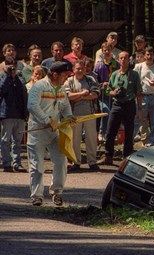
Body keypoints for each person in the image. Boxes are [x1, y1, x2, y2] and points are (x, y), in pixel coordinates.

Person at [26, 61, 75, 206]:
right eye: (64, 75)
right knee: (37, 165)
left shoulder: (61, 88)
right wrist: (47, 120)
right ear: (55, 74)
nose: (66, 78)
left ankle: (57, 192)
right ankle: (36, 196)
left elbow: (65, 105)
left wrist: (68, 117)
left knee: (61, 162)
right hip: (37, 131)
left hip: (56, 131)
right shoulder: (39, 86)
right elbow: (32, 105)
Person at [100, 51, 142, 165]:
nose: (123, 60)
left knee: (129, 133)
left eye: (125, 58)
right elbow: (108, 89)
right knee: (110, 131)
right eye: (121, 58)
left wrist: (139, 108)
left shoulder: (134, 74)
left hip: (129, 105)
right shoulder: (114, 74)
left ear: (129, 60)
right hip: (117, 105)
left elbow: (138, 92)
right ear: (118, 60)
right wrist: (113, 92)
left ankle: (126, 158)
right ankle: (108, 156)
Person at [64, 60, 100, 172]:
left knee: (91, 139)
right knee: (75, 139)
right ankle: (76, 162)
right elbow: (68, 96)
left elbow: (95, 94)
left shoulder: (91, 80)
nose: (79, 70)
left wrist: (80, 97)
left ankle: (92, 162)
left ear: (84, 69)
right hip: (74, 115)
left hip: (90, 114)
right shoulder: (69, 81)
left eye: (81, 68)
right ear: (73, 70)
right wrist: (82, 93)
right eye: (77, 68)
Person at [133, 46, 154, 146]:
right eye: (147, 54)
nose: (149, 57)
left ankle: (151, 142)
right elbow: (133, 81)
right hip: (142, 96)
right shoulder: (139, 67)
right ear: (144, 55)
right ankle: (130, 140)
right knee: (138, 120)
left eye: (151, 55)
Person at [0, 56, 28, 172]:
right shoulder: (2, 78)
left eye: (13, 65)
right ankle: (6, 163)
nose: (12, 67)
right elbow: (1, 90)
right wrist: (7, 76)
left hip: (19, 114)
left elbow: (24, 95)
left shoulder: (20, 78)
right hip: (7, 114)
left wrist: (25, 112)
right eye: (9, 65)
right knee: (6, 140)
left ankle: (17, 163)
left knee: (17, 141)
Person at [94, 42, 119, 142]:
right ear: (102, 52)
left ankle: (113, 132)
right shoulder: (99, 65)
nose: (107, 52)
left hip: (114, 92)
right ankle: (102, 131)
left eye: (109, 50)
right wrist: (101, 85)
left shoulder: (116, 64)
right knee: (105, 111)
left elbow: (119, 77)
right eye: (105, 50)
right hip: (103, 93)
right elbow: (95, 80)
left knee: (114, 113)